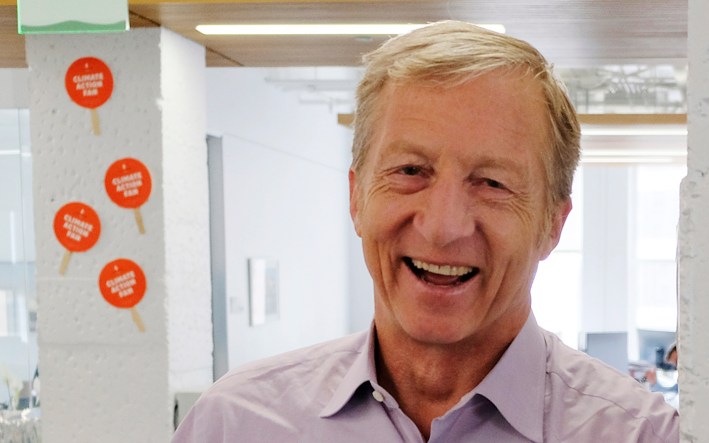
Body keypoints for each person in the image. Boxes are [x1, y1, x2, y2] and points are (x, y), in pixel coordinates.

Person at [172, 21, 679, 442]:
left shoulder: (641, 435)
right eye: (411, 171)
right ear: (356, 197)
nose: (442, 228)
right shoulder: (235, 424)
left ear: (553, 224)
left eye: (493, 182)